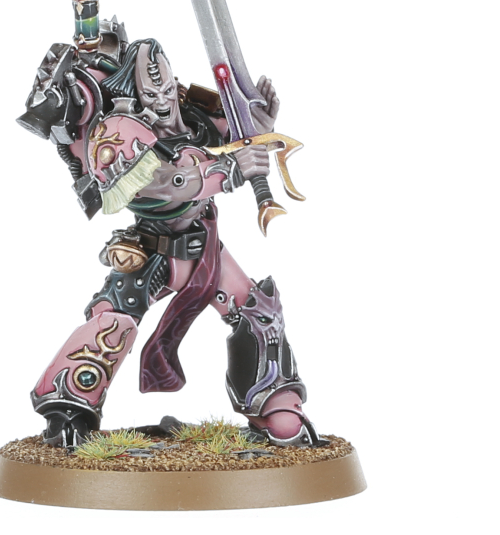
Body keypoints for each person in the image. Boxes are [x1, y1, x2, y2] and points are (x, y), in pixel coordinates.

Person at [24, 35, 324, 447]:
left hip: (205, 248)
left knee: (258, 310)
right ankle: (68, 408)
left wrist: (260, 125)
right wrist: (228, 171)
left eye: (167, 88)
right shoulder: (117, 134)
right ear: (133, 93)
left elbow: (237, 137)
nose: (163, 100)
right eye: (152, 94)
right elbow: (164, 183)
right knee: (113, 322)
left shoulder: (193, 114)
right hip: (152, 251)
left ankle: (278, 409)